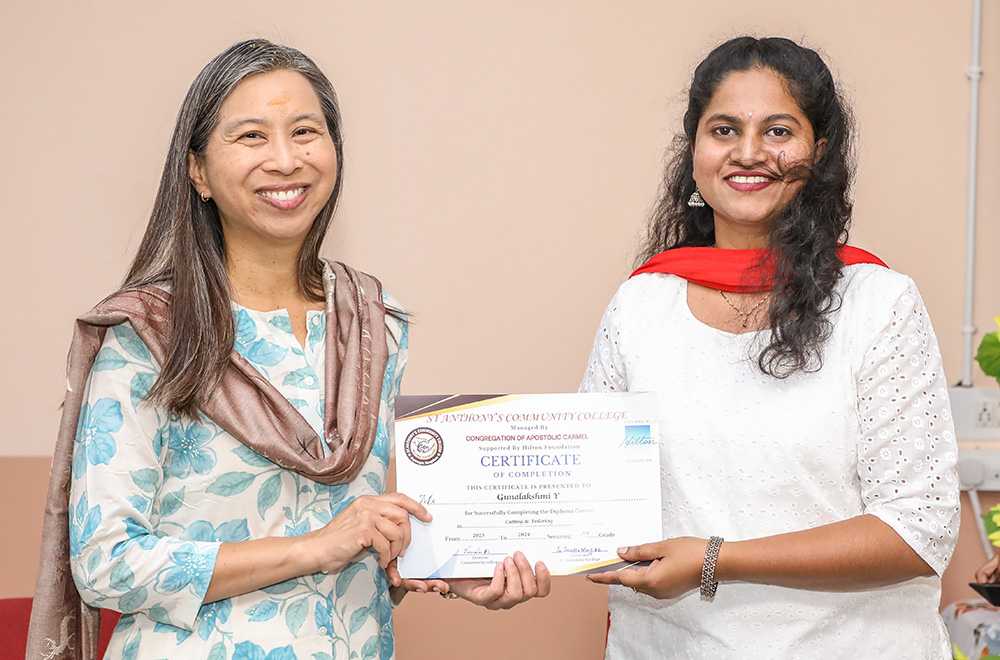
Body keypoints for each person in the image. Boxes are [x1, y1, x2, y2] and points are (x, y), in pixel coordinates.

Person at [27, 39, 548, 660]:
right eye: (251, 136)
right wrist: (313, 546)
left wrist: (446, 566)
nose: (285, 158)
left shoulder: (373, 323)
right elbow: (106, 562)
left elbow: (355, 544)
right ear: (197, 171)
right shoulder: (151, 333)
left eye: (305, 131)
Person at [582, 36, 959, 657]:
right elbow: (587, 500)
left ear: (820, 151)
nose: (748, 152)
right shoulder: (640, 306)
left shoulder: (877, 302)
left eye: (778, 130)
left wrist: (714, 560)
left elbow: (918, 532)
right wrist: (487, 554)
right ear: (695, 150)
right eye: (724, 129)